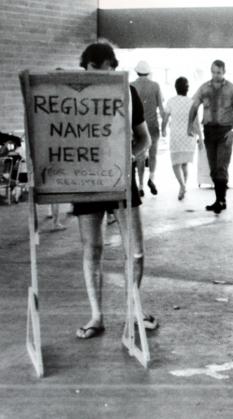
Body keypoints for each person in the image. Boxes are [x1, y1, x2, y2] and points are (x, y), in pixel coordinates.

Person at [73, 42, 156, 339]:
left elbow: (144, 139)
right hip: (85, 180)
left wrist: (126, 157)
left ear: (113, 68)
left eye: (104, 73)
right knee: (92, 248)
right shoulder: (71, 95)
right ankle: (96, 316)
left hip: (120, 178)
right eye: (91, 73)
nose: (97, 78)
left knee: (135, 250)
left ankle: (135, 308)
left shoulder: (128, 92)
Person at [188, 59, 233, 214]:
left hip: (225, 132)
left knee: (221, 166)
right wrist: (189, 126)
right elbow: (193, 107)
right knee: (213, 168)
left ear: (224, 72)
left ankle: (221, 200)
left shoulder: (232, 89)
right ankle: (219, 199)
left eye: (218, 72)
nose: (215, 75)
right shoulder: (204, 88)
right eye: (213, 72)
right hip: (209, 131)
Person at [162, 77, 200, 200]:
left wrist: (163, 129)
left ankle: (182, 185)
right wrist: (200, 137)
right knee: (184, 164)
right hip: (189, 137)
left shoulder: (171, 101)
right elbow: (196, 122)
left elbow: (165, 117)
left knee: (175, 163)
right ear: (187, 89)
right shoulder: (192, 102)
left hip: (176, 136)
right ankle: (183, 187)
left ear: (176, 88)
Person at [131, 60, 165, 197]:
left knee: (139, 155)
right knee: (153, 154)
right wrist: (163, 127)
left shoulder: (131, 86)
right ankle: (151, 178)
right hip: (152, 125)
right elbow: (161, 108)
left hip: (137, 127)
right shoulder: (155, 86)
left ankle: (140, 186)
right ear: (148, 72)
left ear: (136, 71)